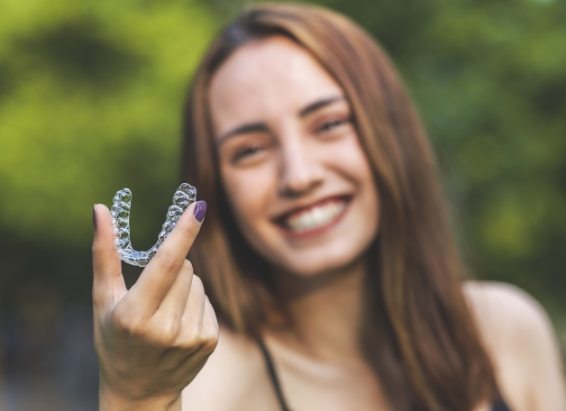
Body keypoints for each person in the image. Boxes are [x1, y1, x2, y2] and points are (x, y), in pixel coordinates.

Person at [91, 3, 566, 411]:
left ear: (392, 133)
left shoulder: (505, 330)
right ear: (215, 184)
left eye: (330, 123)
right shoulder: (202, 384)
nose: (299, 176)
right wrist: (135, 396)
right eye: (250, 150)